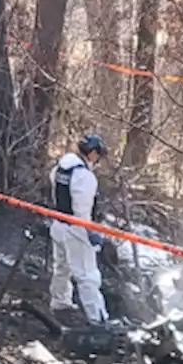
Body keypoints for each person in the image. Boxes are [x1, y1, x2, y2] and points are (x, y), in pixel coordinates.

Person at [49, 134, 109, 326]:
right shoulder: (84, 176)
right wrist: (90, 232)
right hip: (76, 229)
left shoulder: (60, 168)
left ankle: (60, 302)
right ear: (91, 153)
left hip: (58, 223)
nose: (98, 160)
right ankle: (97, 317)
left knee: (61, 267)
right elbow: (82, 209)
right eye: (97, 155)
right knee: (87, 274)